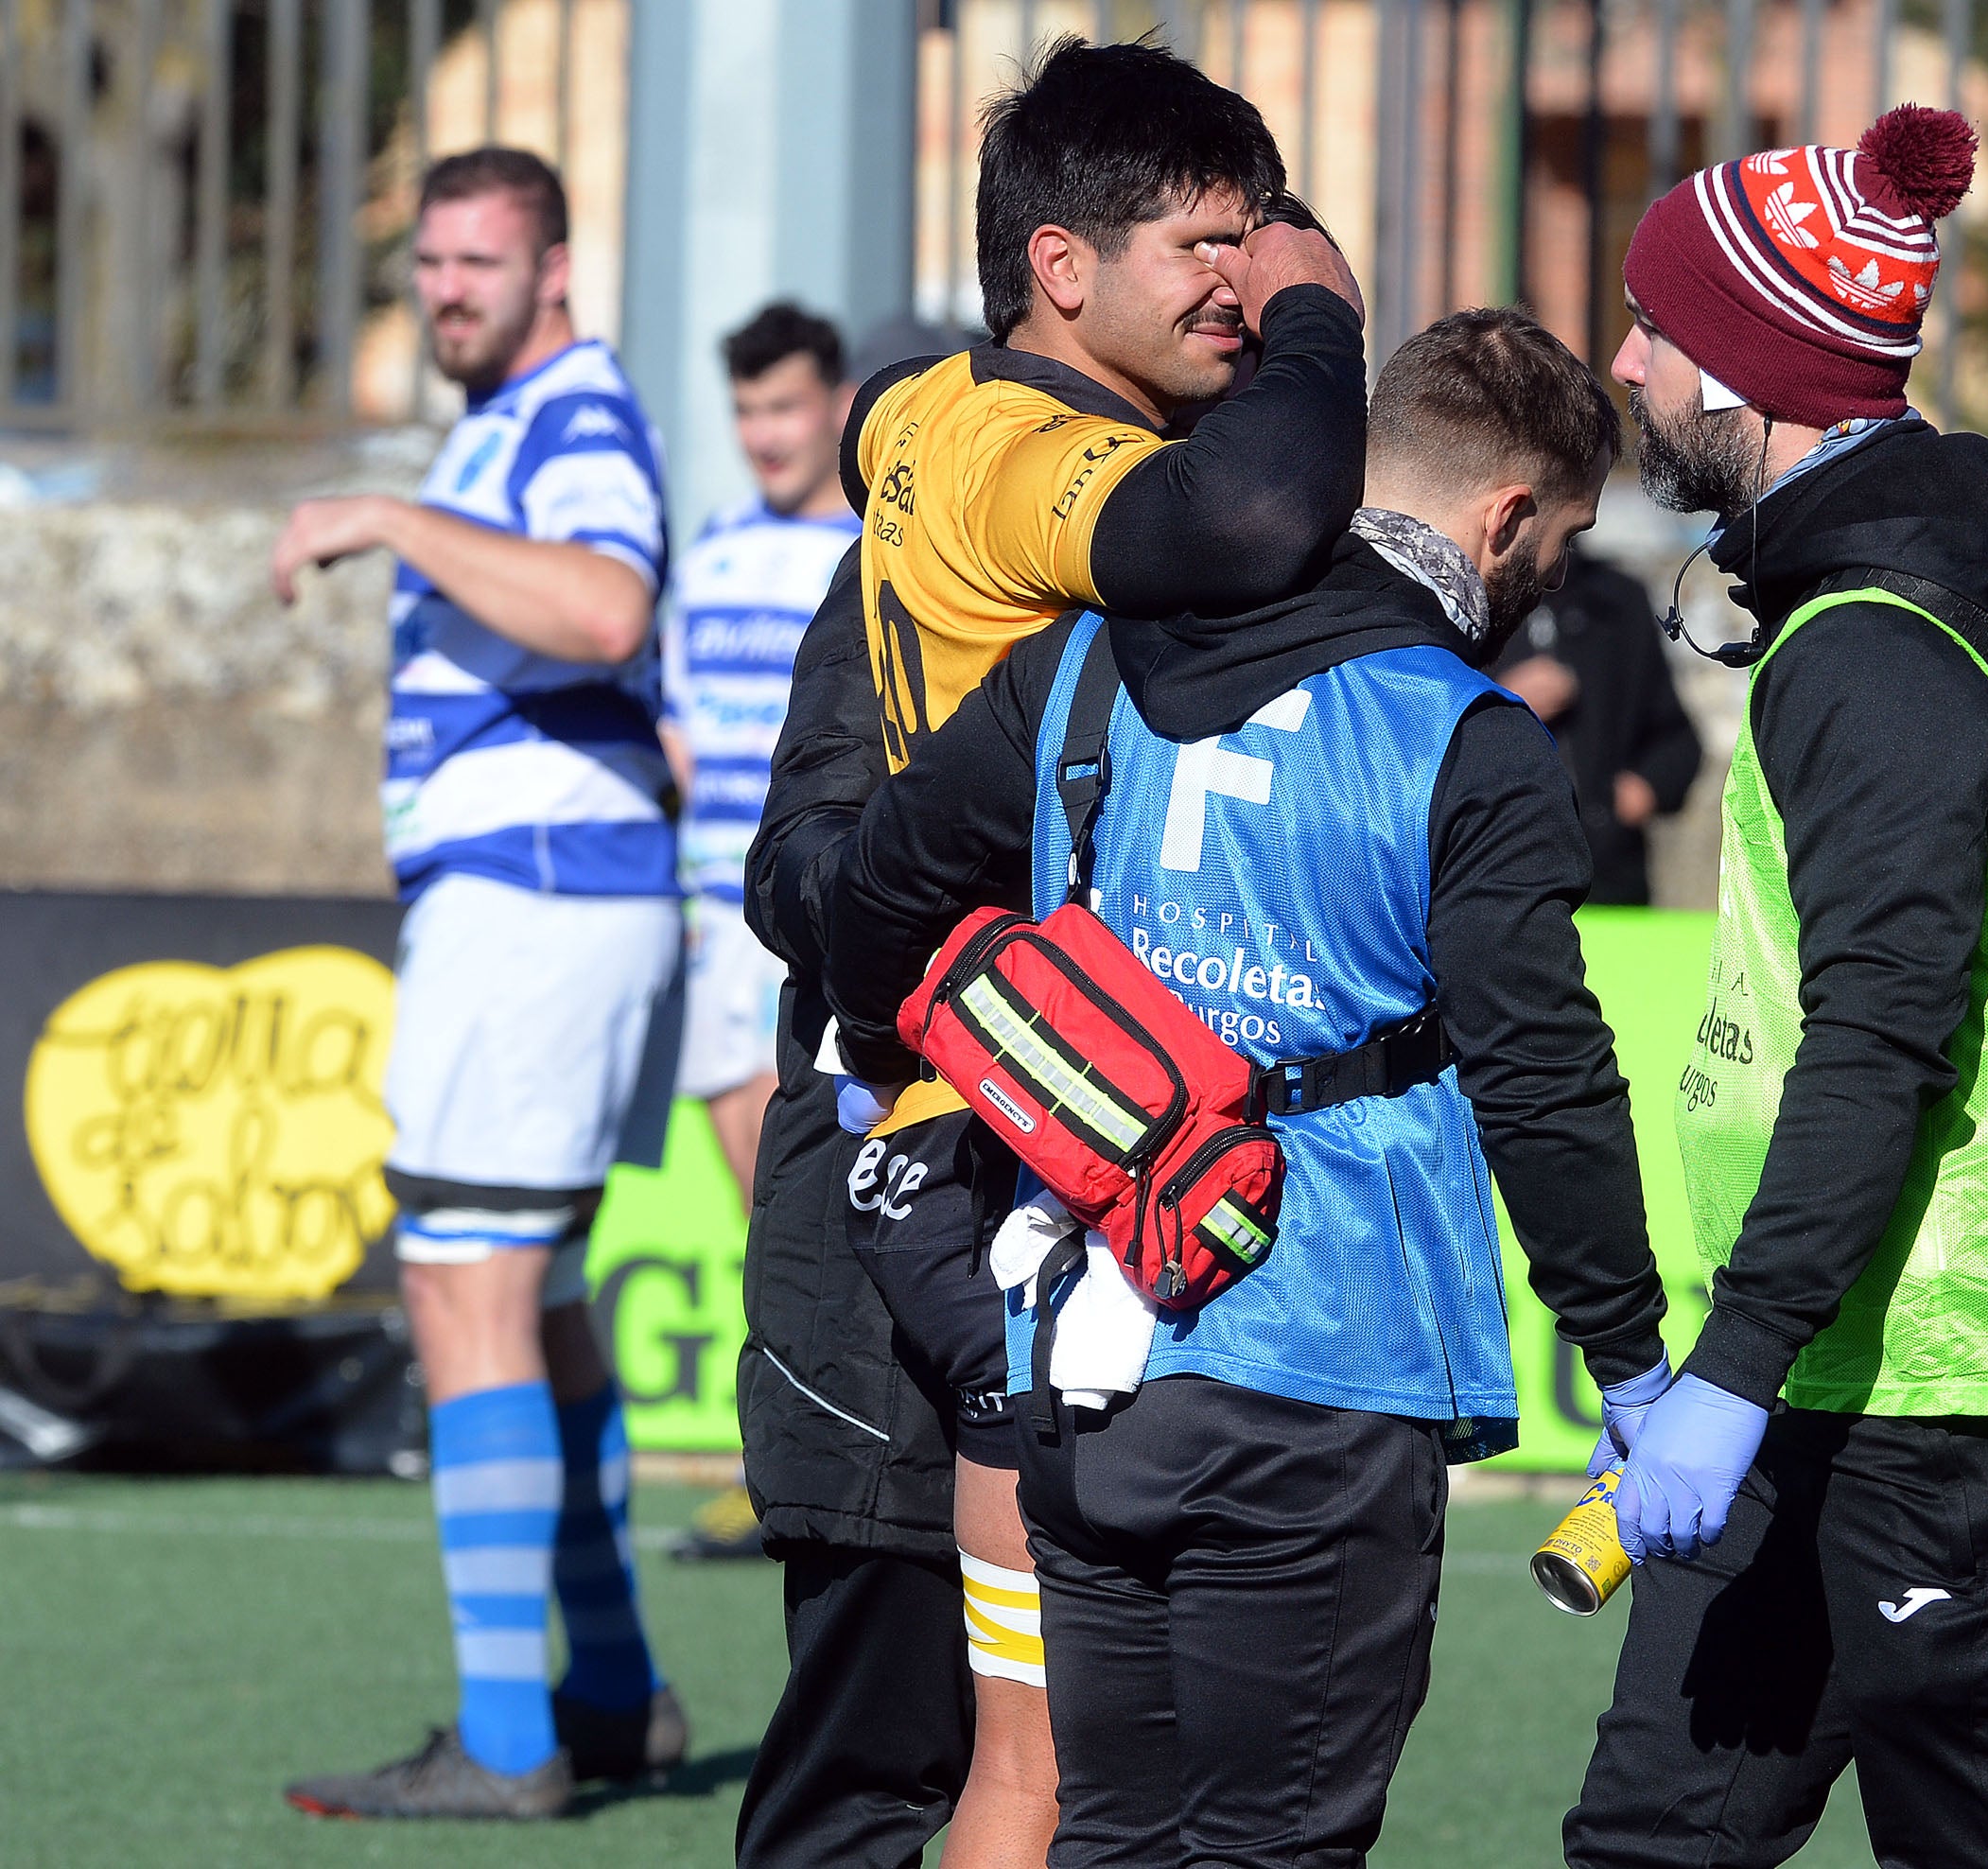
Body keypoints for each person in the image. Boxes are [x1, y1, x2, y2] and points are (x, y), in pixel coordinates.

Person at [823, 306, 1672, 1869]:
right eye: (1550, 546)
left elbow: (868, 896)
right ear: (1500, 521)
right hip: (1322, 1360)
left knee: (1117, 1839)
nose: (1544, 583)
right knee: (1271, 1846)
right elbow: (1543, 1081)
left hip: (1074, 1346)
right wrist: (1626, 1359)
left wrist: (903, 1067)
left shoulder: (1082, 661)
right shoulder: (1466, 738)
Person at [733, 38, 1369, 1867]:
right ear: (1063, 273)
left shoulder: (929, 418)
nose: (1240, 282)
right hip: (929, 1156)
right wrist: (1324, 320)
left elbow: (878, 413)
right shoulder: (1040, 454)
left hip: (1035, 1143)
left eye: (1255, 242)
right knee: (894, 1763)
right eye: (1204, 245)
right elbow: (1251, 515)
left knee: (1055, 1754)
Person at [1564, 106, 1988, 1869]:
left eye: (1656, 330)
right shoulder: (1872, 613)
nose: (1624, 363)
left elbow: (1881, 1034)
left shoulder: (1876, 648)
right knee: (1651, 1846)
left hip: (1951, 1403)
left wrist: (1728, 1366)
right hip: (1831, 1377)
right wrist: (1754, 1372)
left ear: (1751, 371)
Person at [270, 148, 682, 1821]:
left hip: (532, 909)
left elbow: (602, 603)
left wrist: (385, 515)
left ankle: (509, 1743)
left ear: (554, 272)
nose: (444, 288)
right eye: (428, 262)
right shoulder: (515, 422)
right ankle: (605, 1696)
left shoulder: (571, 411)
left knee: (465, 1294)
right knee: (541, 1302)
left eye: (476, 262)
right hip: (549, 902)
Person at [661, 302, 863, 1211]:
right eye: (747, 412)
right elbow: (679, 734)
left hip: (811, 911)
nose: (763, 436)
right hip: (712, 910)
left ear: (837, 405)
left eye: (784, 408)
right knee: (758, 1208)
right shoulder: (713, 552)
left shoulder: (868, 553)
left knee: (809, 1193)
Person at [1488, 550, 1701, 904]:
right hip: (1506, 878)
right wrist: (1503, 697)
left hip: (1613, 879)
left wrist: (1645, 787)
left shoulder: (1618, 601)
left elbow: (1677, 739)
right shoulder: (1470, 605)